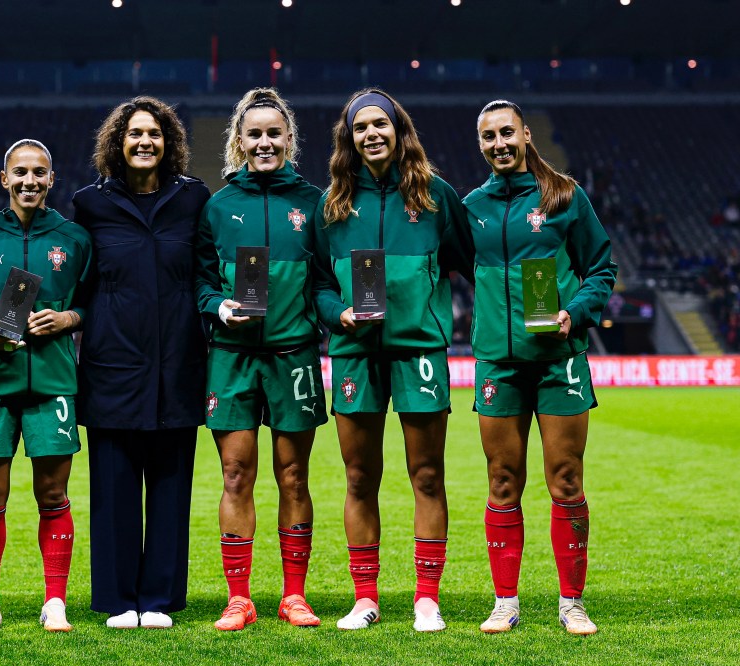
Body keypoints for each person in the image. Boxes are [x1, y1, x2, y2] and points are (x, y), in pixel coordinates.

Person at [312, 89, 472, 632]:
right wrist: (339, 315)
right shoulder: (332, 203)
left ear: (399, 130)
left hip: (419, 351)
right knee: (360, 477)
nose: (371, 135)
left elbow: (468, 261)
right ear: (349, 139)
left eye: (380, 124)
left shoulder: (435, 195)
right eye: (360, 128)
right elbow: (317, 285)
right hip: (355, 353)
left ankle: (427, 598)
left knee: (427, 474)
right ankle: (365, 598)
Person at [462, 100, 617, 636]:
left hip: (558, 361)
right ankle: (506, 600)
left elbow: (601, 266)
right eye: (488, 137)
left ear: (526, 134)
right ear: (479, 144)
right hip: (498, 365)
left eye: (507, 132)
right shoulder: (472, 208)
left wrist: (574, 314)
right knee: (502, 480)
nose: (499, 143)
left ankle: (571, 602)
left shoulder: (564, 196)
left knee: (566, 479)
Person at [72, 96, 210, 629]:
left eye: (154, 133)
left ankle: (158, 601)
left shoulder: (193, 198)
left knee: (171, 490)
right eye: (134, 134)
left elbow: (205, 273)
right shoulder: (90, 204)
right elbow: (76, 281)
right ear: (118, 142)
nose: (144, 141)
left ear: (169, 142)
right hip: (112, 365)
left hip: (178, 362)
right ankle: (117, 597)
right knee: (114, 488)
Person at [195, 87, 326, 631]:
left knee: (294, 477)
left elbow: (326, 279)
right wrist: (220, 308)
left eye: (275, 133)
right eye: (255, 133)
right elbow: (200, 283)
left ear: (289, 139)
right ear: (239, 141)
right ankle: (239, 597)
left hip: (293, 355)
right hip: (231, 356)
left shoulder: (315, 201)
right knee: (235, 474)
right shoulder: (218, 206)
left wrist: (334, 312)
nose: (265, 141)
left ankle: (294, 595)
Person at [0, 139, 91, 634]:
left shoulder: (74, 238)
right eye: (21, 172)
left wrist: (68, 318)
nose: (30, 181)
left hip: (53, 381)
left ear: (51, 178)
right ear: (4, 177)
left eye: (39, 173)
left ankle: (54, 600)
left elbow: (96, 302)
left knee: (52, 495)